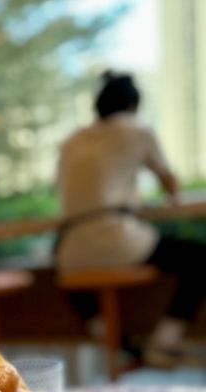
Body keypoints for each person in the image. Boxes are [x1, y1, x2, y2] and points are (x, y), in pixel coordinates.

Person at [56, 71, 205, 367]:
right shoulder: (136, 130)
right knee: (200, 259)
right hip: (118, 238)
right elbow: (170, 184)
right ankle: (163, 343)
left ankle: (121, 344)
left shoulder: (71, 140)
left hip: (71, 247)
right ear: (133, 106)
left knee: (68, 276)